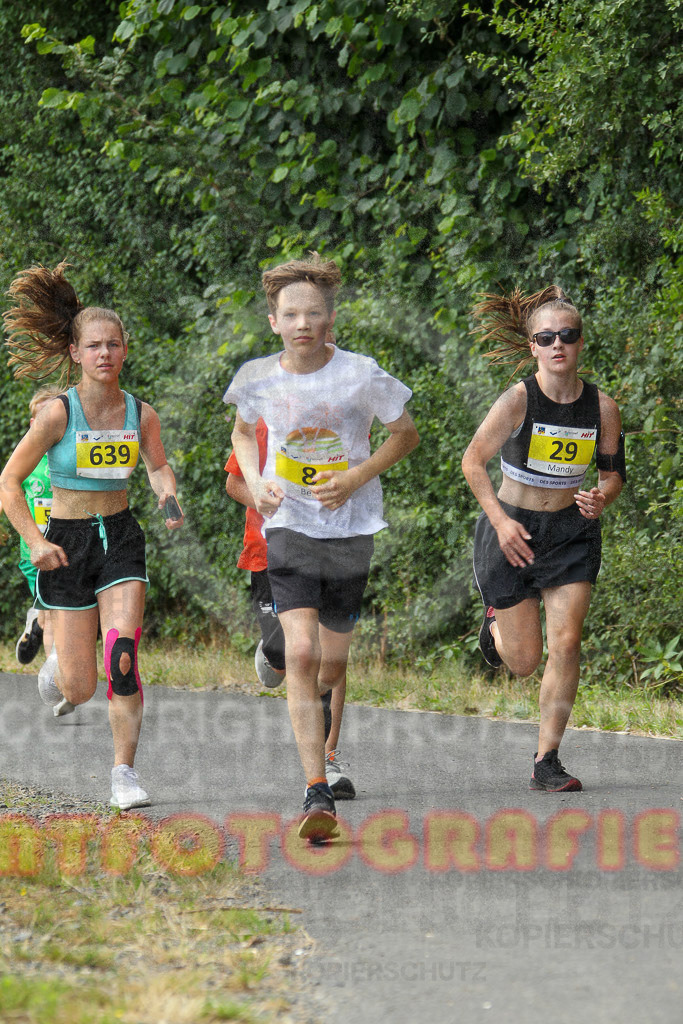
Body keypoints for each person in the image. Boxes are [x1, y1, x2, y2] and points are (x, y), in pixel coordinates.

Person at [224, 254, 419, 839]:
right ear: (273, 322)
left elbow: (404, 435)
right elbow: (241, 431)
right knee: (302, 655)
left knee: (332, 664)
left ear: (331, 319)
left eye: (313, 313)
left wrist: (356, 478)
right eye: (291, 314)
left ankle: (323, 764)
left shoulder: (361, 373)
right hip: (288, 527)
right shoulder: (258, 377)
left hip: (352, 529)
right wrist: (257, 483)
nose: (302, 323)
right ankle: (316, 793)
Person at [0, 260, 183, 810]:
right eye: (94, 345)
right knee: (80, 688)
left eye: (114, 344)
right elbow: (8, 482)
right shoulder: (57, 414)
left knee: (123, 657)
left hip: (121, 537)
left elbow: (156, 465)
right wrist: (35, 541)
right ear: (76, 353)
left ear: (125, 350)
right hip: (67, 543)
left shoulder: (139, 413)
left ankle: (123, 774)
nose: (105, 353)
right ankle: (60, 669)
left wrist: (166, 494)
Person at [461, 285, 625, 792]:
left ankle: (546, 761)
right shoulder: (517, 400)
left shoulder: (602, 407)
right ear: (533, 346)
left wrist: (602, 497)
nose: (558, 344)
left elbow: (614, 474)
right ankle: (493, 630)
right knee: (524, 662)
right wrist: (500, 521)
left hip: (571, 535)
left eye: (568, 335)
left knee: (568, 642)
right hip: (512, 529)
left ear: (580, 343)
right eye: (547, 337)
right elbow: (472, 461)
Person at [224, 416, 356, 799]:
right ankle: (272, 653)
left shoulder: (343, 420)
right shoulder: (266, 422)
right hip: (269, 553)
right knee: (286, 658)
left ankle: (327, 760)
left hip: (328, 549)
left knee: (328, 650)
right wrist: (274, 502)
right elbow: (234, 483)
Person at [0, 387, 68, 712]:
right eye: (40, 417)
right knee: (54, 615)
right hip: (35, 556)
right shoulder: (26, 461)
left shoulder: (69, 458)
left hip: (71, 550)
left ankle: (36, 624)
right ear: (31, 423)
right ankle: (60, 685)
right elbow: (7, 489)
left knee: (64, 614)